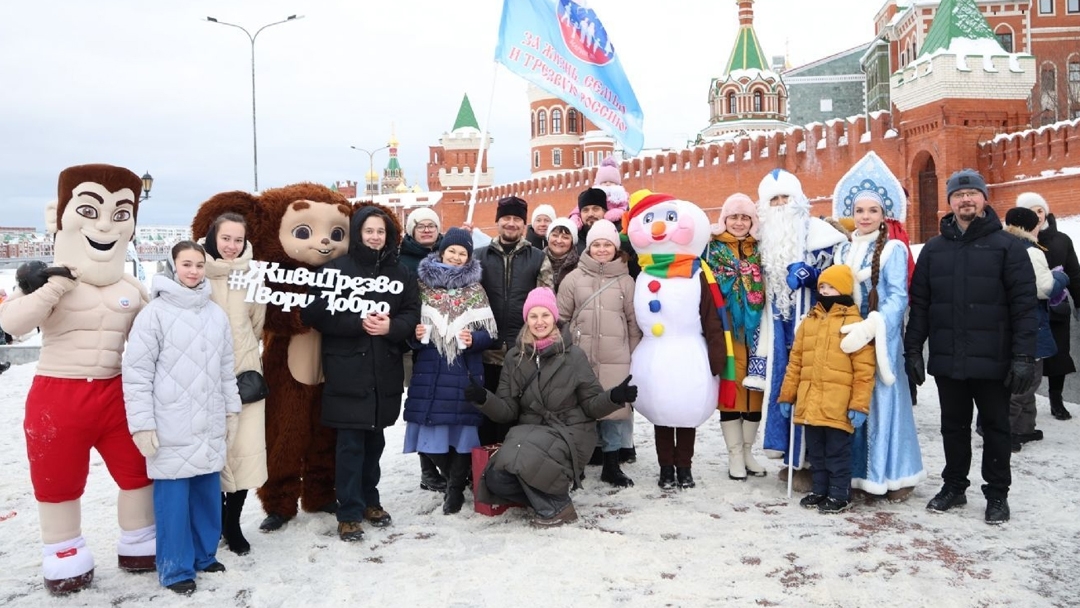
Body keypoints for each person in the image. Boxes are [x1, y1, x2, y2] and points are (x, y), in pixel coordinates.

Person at [0, 164, 155, 594]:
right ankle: (64, 550)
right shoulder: (46, 282)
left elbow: (155, 338)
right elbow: (12, 324)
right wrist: (52, 287)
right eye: (90, 211)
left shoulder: (131, 287)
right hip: (58, 391)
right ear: (62, 216)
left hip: (115, 390)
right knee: (57, 477)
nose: (105, 225)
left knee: (139, 469)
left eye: (119, 214)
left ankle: (139, 538)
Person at [904, 168, 1038, 525]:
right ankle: (954, 486)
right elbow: (921, 305)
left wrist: (1024, 355)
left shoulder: (1008, 247)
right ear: (950, 202)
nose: (966, 199)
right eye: (958, 195)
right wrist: (912, 349)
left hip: (994, 357)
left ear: (984, 199)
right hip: (949, 356)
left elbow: (1024, 306)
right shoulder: (934, 250)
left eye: (972, 193)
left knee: (996, 428)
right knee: (953, 426)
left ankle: (997, 494)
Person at [123, 241, 241, 595]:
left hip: (209, 417)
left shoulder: (215, 314)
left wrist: (231, 409)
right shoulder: (154, 314)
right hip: (171, 421)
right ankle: (175, 568)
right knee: (173, 500)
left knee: (207, 492)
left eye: (199, 265)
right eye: (186, 264)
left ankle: (204, 554)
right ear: (173, 266)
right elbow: (137, 374)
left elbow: (226, 369)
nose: (193, 271)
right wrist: (142, 424)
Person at [463, 287, 637, 526]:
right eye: (533, 316)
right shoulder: (514, 357)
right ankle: (548, 499)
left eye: (545, 315)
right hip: (529, 430)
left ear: (554, 318)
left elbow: (591, 405)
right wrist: (484, 398)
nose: (539, 322)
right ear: (526, 319)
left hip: (570, 430)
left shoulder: (573, 355)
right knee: (495, 477)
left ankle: (557, 508)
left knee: (524, 459)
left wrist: (615, 397)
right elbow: (507, 411)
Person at [300, 205, 420, 541]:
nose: (375, 237)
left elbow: (412, 312)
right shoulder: (336, 269)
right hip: (348, 369)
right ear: (358, 233)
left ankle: (370, 500)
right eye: (369, 231)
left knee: (375, 442)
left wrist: (391, 327)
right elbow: (314, 312)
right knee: (350, 445)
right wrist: (358, 322)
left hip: (383, 369)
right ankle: (349, 511)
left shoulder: (400, 273)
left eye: (381, 231)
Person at [830, 152, 925, 501]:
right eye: (859, 211)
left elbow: (898, 296)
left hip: (880, 340)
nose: (865, 217)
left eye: (872, 211)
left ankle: (890, 475)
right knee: (850, 404)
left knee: (883, 404)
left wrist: (872, 327)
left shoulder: (893, 249)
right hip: (847, 339)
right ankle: (855, 477)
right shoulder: (842, 251)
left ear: (884, 214)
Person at [624, 192, 732, 490]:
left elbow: (712, 318)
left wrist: (718, 357)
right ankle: (665, 468)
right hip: (655, 357)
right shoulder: (642, 273)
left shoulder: (697, 274)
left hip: (689, 355)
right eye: (650, 221)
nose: (659, 229)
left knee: (685, 412)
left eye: (669, 220)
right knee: (661, 413)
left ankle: (684, 467)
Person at [756, 169, 848, 484]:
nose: (781, 205)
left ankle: (814, 463)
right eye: (774, 200)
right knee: (785, 389)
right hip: (778, 327)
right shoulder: (762, 242)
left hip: (815, 327)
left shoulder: (824, 237)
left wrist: (814, 277)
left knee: (815, 391)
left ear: (799, 200)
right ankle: (793, 459)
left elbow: (843, 280)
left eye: (786, 198)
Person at [404, 228, 497, 514]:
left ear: (469, 257)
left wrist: (474, 340)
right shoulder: (422, 286)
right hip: (430, 370)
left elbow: (490, 334)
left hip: (464, 369)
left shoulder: (475, 290)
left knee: (463, 435)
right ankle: (454, 479)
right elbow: (408, 328)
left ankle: (454, 491)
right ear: (442, 252)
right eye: (452, 251)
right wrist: (414, 335)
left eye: (462, 253)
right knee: (429, 436)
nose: (456, 257)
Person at [777, 265, 875, 514]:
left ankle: (839, 494)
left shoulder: (854, 324)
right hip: (810, 402)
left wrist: (859, 405)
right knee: (816, 452)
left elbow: (864, 371)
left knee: (837, 453)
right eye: (822, 286)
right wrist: (787, 395)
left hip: (837, 405)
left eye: (831, 286)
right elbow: (796, 362)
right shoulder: (809, 321)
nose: (825, 291)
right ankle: (819, 490)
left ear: (843, 289)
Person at [198, 213, 267, 555]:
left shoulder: (253, 274)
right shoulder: (196, 269)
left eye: (238, 240)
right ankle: (212, 521)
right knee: (209, 452)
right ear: (213, 236)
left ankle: (232, 523)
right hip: (201, 373)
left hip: (244, 372)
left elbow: (257, 324)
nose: (231, 246)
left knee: (243, 452)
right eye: (226, 238)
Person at [556, 219, 642, 487]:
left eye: (607, 244)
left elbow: (633, 323)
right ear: (588, 247)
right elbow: (560, 319)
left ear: (616, 248)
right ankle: (579, 463)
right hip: (579, 357)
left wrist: (633, 355)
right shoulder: (573, 279)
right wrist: (563, 353)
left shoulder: (626, 281)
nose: (602, 249)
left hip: (616, 357)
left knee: (613, 411)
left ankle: (611, 465)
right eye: (596, 244)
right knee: (579, 409)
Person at [474, 196, 554, 445]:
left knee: (519, 415)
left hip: (523, 353)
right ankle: (487, 462)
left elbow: (545, 304)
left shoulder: (537, 258)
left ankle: (515, 460)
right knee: (486, 415)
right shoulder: (479, 256)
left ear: (523, 224)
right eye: (506, 218)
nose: (511, 223)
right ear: (497, 221)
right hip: (486, 352)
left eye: (517, 219)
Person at [703, 193, 769, 481]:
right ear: (724, 219)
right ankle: (734, 455)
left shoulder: (762, 249)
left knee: (755, 391)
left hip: (758, 330)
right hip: (726, 328)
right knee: (730, 390)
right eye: (734, 217)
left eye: (745, 217)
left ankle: (747, 451)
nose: (739, 223)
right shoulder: (711, 248)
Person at [1002, 207, 1068, 451]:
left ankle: (1024, 428)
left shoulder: (1001, 246)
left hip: (1006, 323)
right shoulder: (1032, 250)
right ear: (1031, 227)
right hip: (1032, 323)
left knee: (1022, 380)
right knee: (1027, 383)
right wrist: (1061, 278)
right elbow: (1044, 289)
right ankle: (1006, 433)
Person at [1016, 192, 1080, 420]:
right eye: (1031, 212)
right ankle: (1023, 405)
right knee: (1027, 358)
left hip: (1056, 307)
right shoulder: (1015, 242)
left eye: (1040, 210)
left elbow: (1074, 272)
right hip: (1027, 310)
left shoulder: (1061, 239)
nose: (1037, 216)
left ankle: (1056, 399)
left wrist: (1078, 301)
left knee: (1059, 355)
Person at [398, 207, 449, 494]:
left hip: (447, 340)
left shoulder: (448, 253)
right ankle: (428, 470)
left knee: (444, 404)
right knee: (423, 405)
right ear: (411, 231)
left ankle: (446, 464)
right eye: (421, 226)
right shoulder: (402, 259)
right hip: (416, 343)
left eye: (432, 225)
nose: (427, 230)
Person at [545, 217, 580, 292]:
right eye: (555, 235)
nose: (559, 241)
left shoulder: (580, 266)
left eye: (565, 237)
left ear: (572, 241)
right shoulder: (536, 260)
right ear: (548, 237)